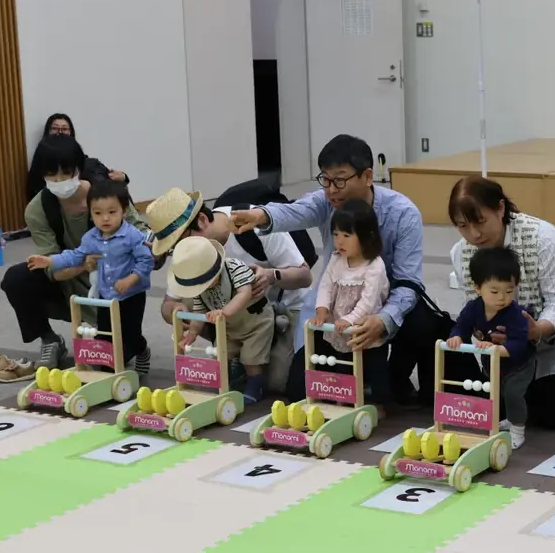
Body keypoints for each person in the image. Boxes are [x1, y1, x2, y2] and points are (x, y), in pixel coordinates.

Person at [228, 135, 431, 405]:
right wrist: (260, 216)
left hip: (384, 300)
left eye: (340, 180)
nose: (332, 190)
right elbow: (296, 211)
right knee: (299, 391)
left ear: (368, 176)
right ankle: (358, 378)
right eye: (325, 179)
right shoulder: (326, 203)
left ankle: (396, 380)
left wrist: (384, 319)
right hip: (335, 304)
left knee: (420, 324)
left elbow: (408, 283)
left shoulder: (403, 213)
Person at [447, 176, 555, 430]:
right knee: (502, 408)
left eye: (480, 222)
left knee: (550, 416)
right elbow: (473, 306)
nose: (474, 234)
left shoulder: (542, 238)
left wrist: (537, 330)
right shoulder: (461, 253)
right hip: (506, 348)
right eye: (462, 226)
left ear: (500, 208)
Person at [0, 134, 149, 380]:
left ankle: (134, 345)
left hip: (114, 285)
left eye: (66, 173)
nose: (59, 181)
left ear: (79, 170)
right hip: (67, 282)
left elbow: (140, 233)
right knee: (17, 278)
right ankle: (50, 340)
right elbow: (52, 267)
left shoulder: (105, 196)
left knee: (111, 360)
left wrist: (150, 251)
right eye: (52, 175)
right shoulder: (39, 209)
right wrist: (81, 264)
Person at [148, 187, 313, 394]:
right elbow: (168, 304)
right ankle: (238, 355)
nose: (181, 250)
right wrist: (176, 311)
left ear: (202, 220)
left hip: (279, 310)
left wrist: (272, 276)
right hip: (233, 313)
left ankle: (251, 357)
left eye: (182, 241)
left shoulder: (252, 224)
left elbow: (305, 276)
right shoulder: (189, 253)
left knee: (278, 383)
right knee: (190, 299)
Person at [26, 179, 153, 374]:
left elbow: (146, 261)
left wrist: (131, 279)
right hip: (105, 296)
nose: (105, 218)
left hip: (132, 295)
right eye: (98, 213)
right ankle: (108, 373)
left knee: (130, 334)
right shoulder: (91, 237)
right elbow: (75, 256)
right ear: (91, 214)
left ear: (124, 211)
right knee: (104, 336)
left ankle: (142, 350)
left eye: (112, 212)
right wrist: (50, 261)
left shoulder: (132, 235)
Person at [168, 236, 275, 404]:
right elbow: (200, 310)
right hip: (228, 328)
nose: (202, 288)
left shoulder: (235, 268)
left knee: (251, 359)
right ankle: (225, 383)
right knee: (221, 354)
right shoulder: (199, 290)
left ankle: (256, 387)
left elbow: (245, 293)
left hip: (255, 323)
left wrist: (224, 312)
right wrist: (193, 333)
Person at [447, 247, 535, 449]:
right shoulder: (473, 308)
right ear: (478, 288)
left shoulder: (515, 314)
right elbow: (461, 325)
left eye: (509, 291)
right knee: (496, 392)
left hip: (519, 365)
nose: (502, 298)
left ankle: (518, 430)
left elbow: (519, 344)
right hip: (493, 364)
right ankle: (507, 420)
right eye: (494, 291)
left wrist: (495, 349)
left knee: (512, 393)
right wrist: (456, 337)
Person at [310, 199, 391, 412]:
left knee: (374, 367)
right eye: (336, 234)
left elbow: (368, 302)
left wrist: (350, 319)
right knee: (342, 363)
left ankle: (380, 404)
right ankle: (343, 400)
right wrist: (321, 310)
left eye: (347, 235)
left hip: (365, 330)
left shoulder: (374, 266)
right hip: (340, 329)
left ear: (366, 236)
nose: (339, 241)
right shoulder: (336, 259)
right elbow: (326, 286)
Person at [25, 113, 128, 203]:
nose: (59, 132)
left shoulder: (88, 164)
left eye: (64, 129)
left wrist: (123, 177)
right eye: (55, 128)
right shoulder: (39, 165)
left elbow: (110, 185)